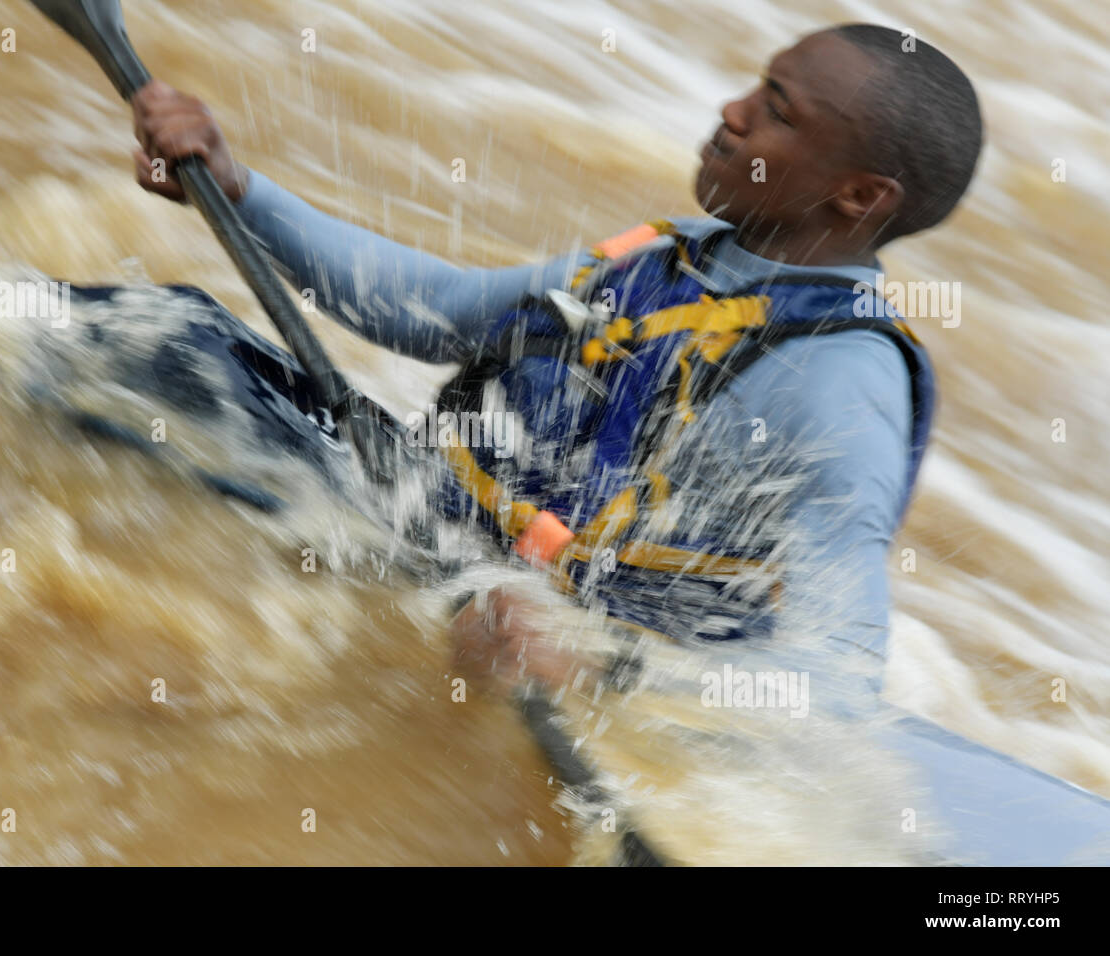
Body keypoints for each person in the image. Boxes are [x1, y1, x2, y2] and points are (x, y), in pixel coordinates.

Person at [128, 23, 982, 705]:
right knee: (166, 337)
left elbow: (839, 686)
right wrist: (242, 192)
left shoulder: (843, 386)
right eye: (757, 84)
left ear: (861, 195)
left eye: (778, 111)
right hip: (436, 545)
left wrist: (596, 667)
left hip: (599, 668)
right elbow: (432, 313)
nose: (731, 111)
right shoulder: (668, 259)